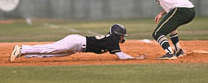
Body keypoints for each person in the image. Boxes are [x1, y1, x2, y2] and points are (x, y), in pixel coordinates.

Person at [121, 0, 195, 60]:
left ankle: (169, 53)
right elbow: (174, 1)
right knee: (172, 27)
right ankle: (178, 51)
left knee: (157, 33)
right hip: (188, 10)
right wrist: (162, 13)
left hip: (181, 10)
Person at [10, 24, 147, 62]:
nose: (123, 38)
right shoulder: (112, 40)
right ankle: (21, 49)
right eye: (122, 36)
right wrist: (135, 58)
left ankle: (27, 55)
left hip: (76, 47)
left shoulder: (111, 39)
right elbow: (121, 56)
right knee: (50, 49)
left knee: (52, 54)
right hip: (76, 42)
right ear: (117, 35)